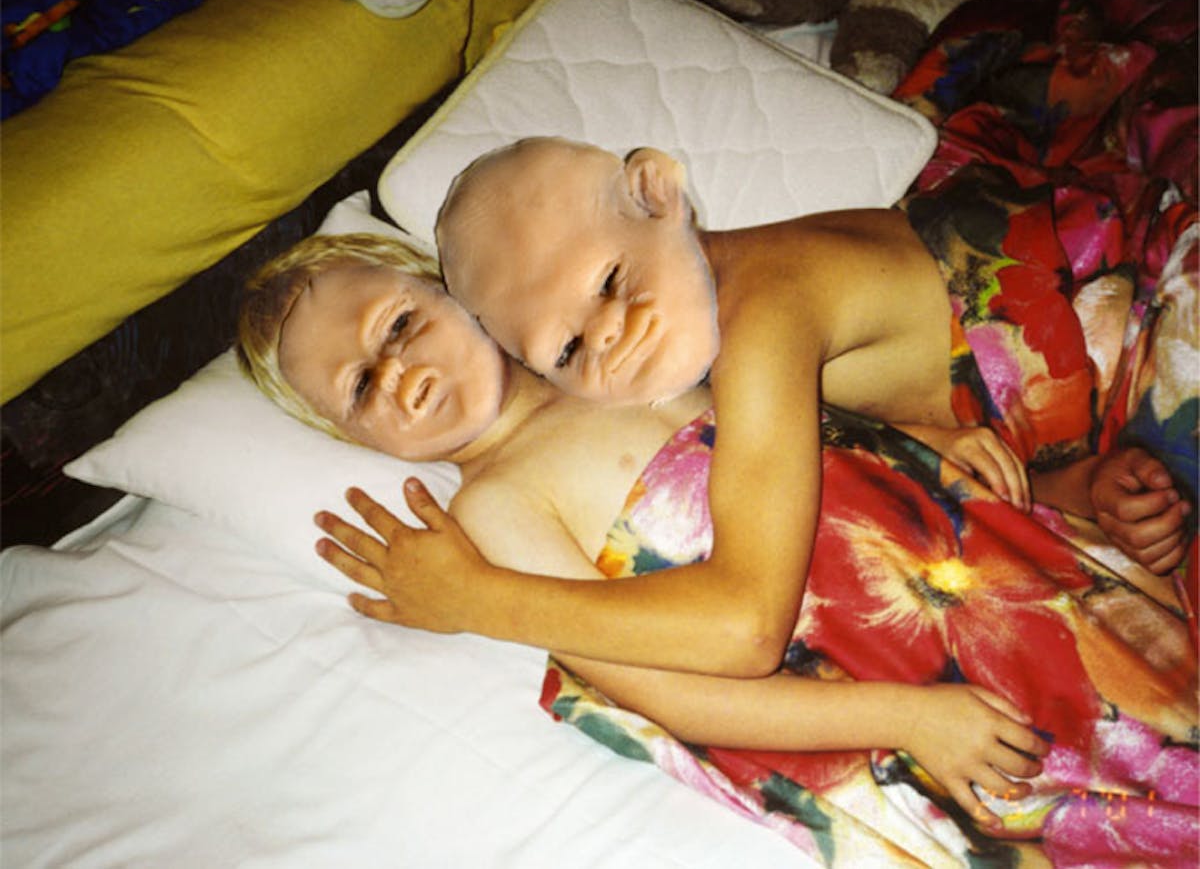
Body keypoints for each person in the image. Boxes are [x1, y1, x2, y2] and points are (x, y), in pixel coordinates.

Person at [236, 232, 1195, 861]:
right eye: (361, 388)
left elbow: (824, 449)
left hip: (988, 572)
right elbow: (675, 694)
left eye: (400, 326)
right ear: (355, 439)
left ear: (452, 291)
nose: (399, 373)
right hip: (900, 679)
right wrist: (907, 718)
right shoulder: (498, 506)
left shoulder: (618, 359)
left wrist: (1039, 481)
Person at [316, 137, 1193, 683]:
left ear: (659, 194)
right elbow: (901, 454)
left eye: (611, 282)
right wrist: (1078, 485)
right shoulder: (699, 354)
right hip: (1078, 418)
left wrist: (478, 598)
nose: (612, 335)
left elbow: (747, 624)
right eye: (572, 348)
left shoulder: (760, 315)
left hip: (1131, 303)